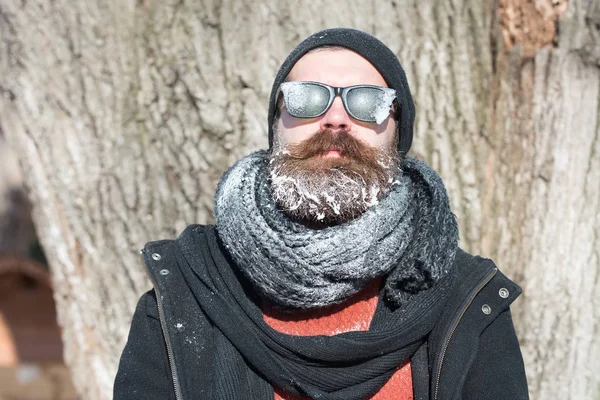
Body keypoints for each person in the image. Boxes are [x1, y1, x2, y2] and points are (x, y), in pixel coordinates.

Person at [113, 28, 529, 400]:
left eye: (367, 102)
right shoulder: (186, 288)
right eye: (306, 98)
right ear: (277, 123)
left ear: (398, 131)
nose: (335, 119)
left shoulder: (467, 297)